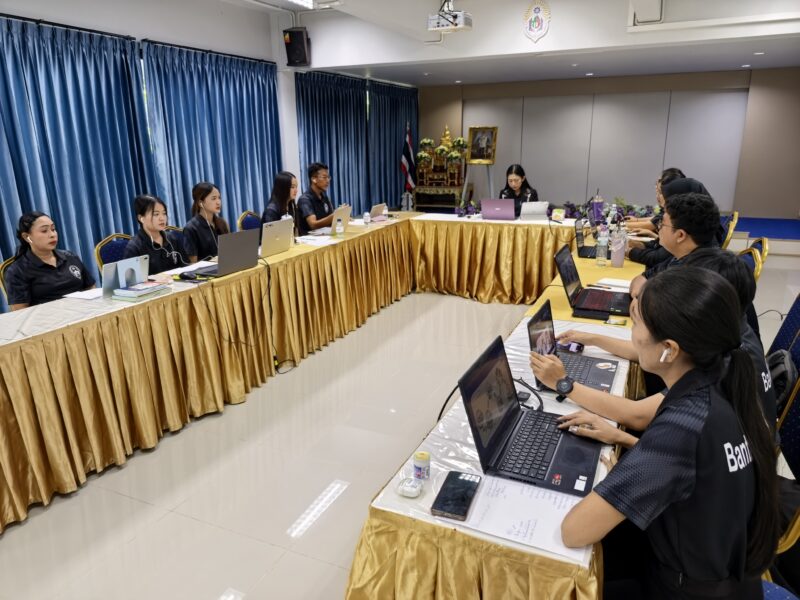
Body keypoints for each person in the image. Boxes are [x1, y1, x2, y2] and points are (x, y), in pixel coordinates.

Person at [558, 268, 779, 599]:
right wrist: (625, 441)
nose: (633, 335)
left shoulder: (683, 426)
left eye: (637, 324)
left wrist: (633, 464)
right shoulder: (726, 378)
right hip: (725, 573)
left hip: (682, 587)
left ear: (669, 350)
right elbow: (700, 471)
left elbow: (574, 531)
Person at [5, 211, 95, 310]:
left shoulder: (70, 256)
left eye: (53, 229)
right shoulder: (17, 270)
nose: (52, 235)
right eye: (44, 231)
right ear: (27, 237)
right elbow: (20, 311)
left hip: (83, 313)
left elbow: (91, 288)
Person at [626, 175, 707, 269]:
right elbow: (660, 264)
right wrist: (638, 245)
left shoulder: (686, 226)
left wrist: (627, 252)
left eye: (661, 192)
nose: (659, 196)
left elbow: (657, 259)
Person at [123, 194, 188, 274]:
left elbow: (186, 268)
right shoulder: (134, 247)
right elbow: (130, 280)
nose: (162, 218)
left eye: (164, 213)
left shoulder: (172, 239)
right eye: (156, 214)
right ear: (141, 218)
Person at [624, 167, 685, 233]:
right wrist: (637, 220)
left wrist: (622, 224)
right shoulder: (669, 208)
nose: (657, 196)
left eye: (660, 192)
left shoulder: (676, 211)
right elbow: (656, 219)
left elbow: (653, 223)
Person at [183, 182, 230, 263]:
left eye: (219, 198)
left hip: (227, 265)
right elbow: (193, 264)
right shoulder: (191, 228)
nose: (218, 202)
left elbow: (230, 250)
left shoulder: (222, 223)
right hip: (207, 270)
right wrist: (211, 262)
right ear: (200, 203)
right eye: (214, 198)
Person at [296, 162, 335, 236]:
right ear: (314, 179)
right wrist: (334, 216)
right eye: (324, 177)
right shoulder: (305, 199)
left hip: (325, 236)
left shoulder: (324, 197)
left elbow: (330, 218)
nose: (328, 181)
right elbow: (313, 225)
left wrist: (341, 216)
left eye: (328, 177)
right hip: (310, 240)